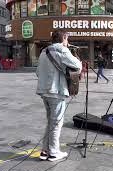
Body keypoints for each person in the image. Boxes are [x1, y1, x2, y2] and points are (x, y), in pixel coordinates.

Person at [36, 30, 82, 161]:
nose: (68, 41)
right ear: (64, 38)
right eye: (67, 38)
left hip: (44, 91)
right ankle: (54, 152)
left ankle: (45, 151)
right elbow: (77, 65)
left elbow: (38, 72)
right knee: (56, 123)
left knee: (50, 121)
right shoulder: (62, 50)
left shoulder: (44, 52)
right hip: (56, 91)